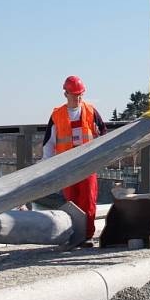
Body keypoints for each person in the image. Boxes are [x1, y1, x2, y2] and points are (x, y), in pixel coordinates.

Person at [42, 76, 107, 247]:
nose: (78, 99)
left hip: (88, 165)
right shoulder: (57, 115)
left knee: (88, 201)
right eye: (75, 95)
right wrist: (46, 167)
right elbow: (48, 143)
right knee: (72, 201)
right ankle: (73, 235)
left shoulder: (91, 111)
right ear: (66, 94)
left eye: (81, 95)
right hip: (67, 167)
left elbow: (103, 136)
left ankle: (86, 236)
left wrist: (101, 158)